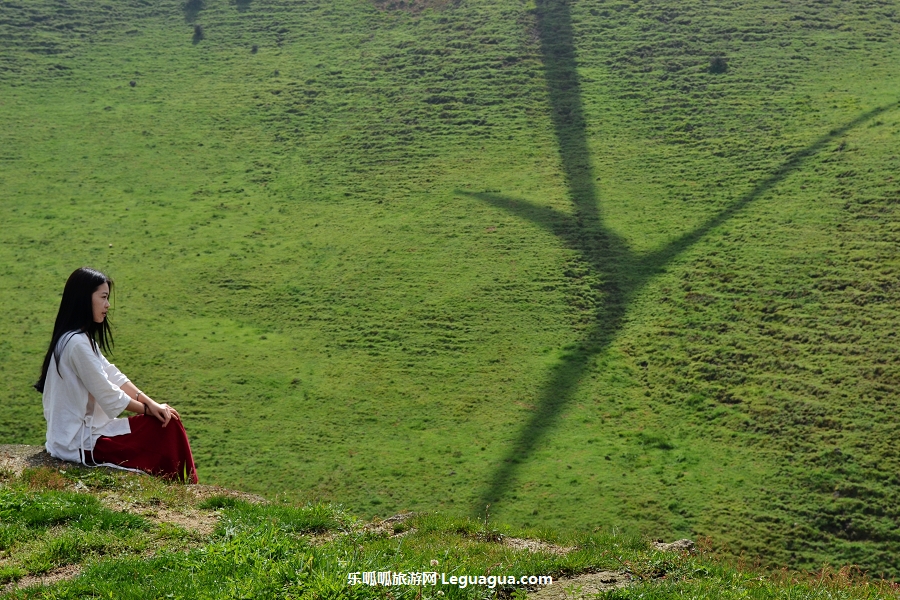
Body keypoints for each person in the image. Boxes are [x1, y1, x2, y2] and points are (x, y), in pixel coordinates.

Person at [35, 267, 198, 483]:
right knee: (166, 426)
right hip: (78, 442)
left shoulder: (79, 339)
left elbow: (112, 374)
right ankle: (185, 485)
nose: (108, 305)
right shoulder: (76, 343)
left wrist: (151, 404)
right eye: (103, 297)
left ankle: (183, 483)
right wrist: (149, 410)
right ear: (84, 298)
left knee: (168, 421)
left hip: (89, 433)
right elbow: (109, 394)